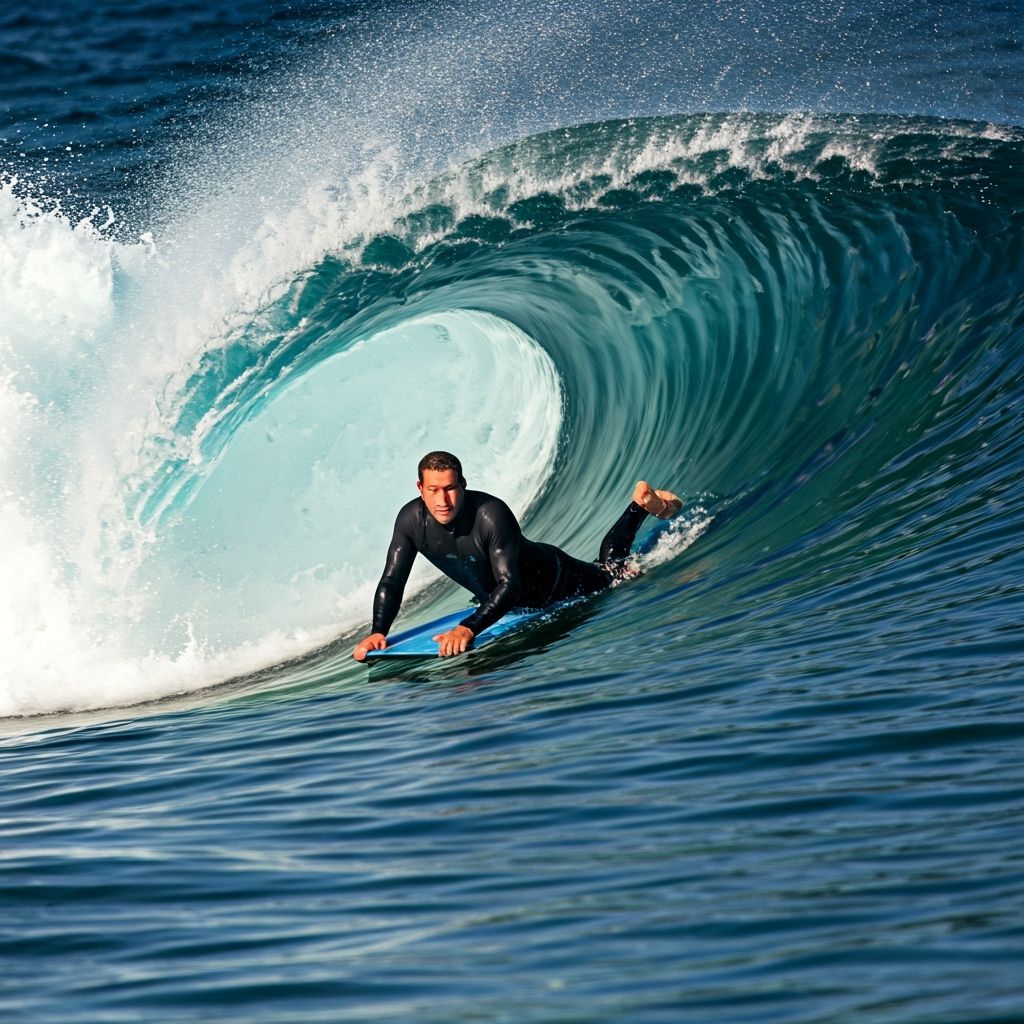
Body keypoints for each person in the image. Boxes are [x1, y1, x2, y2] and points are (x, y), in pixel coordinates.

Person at [352, 451, 681, 660]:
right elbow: (392, 580)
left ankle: (640, 507)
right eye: (433, 490)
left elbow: (510, 584)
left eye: (450, 488)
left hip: (556, 581)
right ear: (420, 488)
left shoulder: (490, 513)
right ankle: (640, 507)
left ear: (463, 485)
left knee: (614, 574)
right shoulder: (410, 520)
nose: (443, 500)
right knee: (609, 566)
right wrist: (379, 630)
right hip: (513, 601)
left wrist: (468, 628)